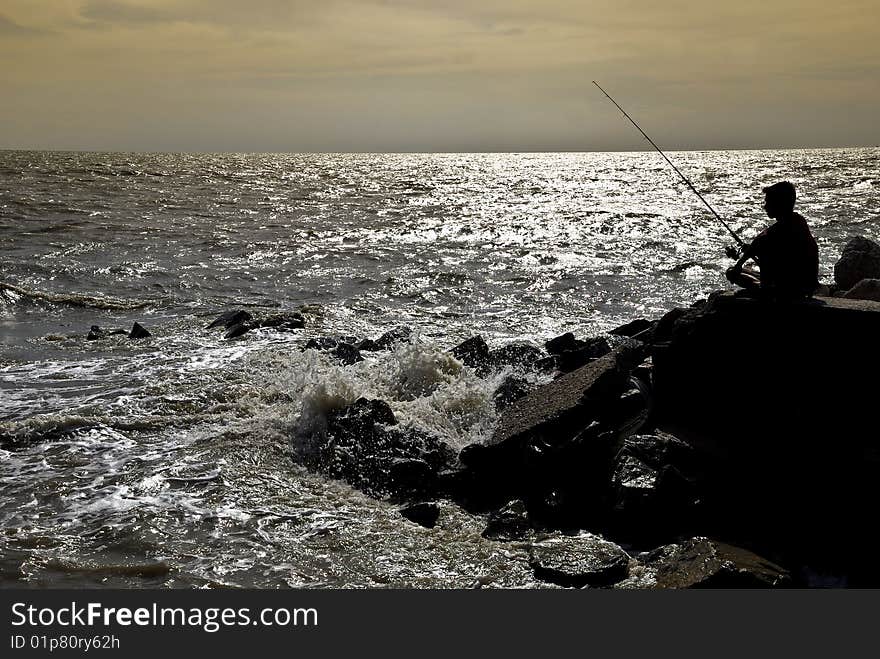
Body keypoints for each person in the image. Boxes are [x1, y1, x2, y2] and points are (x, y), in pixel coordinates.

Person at [726, 181, 818, 299]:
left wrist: (740, 262)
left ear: (780, 204)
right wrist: (744, 258)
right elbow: (760, 245)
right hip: (805, 285)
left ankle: (759, 291)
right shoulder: (798, 221)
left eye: (768, 202)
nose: (765, 206)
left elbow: (761, 245)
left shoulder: (777, 232)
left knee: (731, 273)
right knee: (741, 271)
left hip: (790, 289)